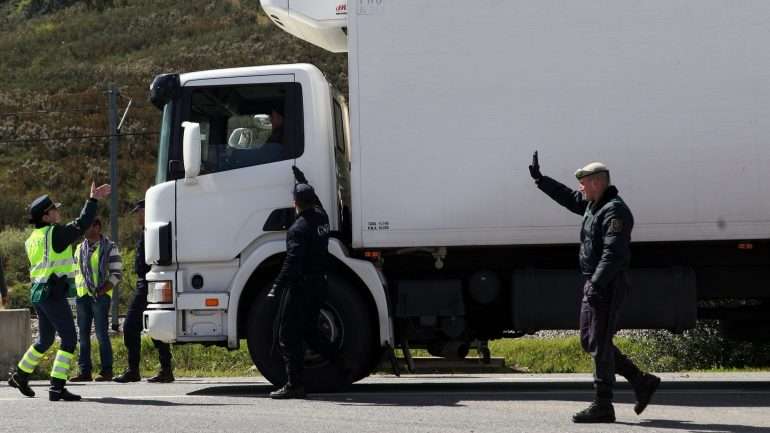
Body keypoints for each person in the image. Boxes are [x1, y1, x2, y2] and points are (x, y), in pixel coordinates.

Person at [528, 152, 660, 423]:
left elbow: (613, 255)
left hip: (608, 283)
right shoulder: (593, 205)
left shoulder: (615, 211)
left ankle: (603, 404)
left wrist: (597, 284)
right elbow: (567, 197)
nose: (580, 187)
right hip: (596, 282)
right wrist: (542, 181)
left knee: (598, 343)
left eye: (584, 182)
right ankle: (640, 380)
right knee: (591, 341)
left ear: (597, 183)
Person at [7, 182, 111, 401]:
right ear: (46, 216)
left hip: (38, 293)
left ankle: (20, 375)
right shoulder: (54, 234)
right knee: (69, 339)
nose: (58, 211)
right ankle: (57, 386)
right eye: (54, 209)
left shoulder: (31, 239)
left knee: (45, 339)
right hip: (52, 293)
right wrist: (92, 200)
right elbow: (82, 224)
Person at [269, 174, 339, 399]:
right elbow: (315, 201)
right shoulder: (322, 218)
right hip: (320, 284)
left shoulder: (298, 229)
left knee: (288, 336)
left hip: (303, 287)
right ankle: (341, 363)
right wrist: (303, 180)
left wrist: (277, 286)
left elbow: (292, 262)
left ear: (295, 203)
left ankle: (294, 384)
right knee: (309, 331)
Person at [114, 199, 174, 383]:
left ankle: (135, 370)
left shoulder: (153, 232)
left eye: (139, 212)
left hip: (149, 284)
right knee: (154, 327)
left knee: (131, 326)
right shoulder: (150, 232)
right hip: (148, 283)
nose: (137, 216)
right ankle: (165, 369)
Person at [70, 218, 122, 382]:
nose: (84, 230)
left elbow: (116, 274)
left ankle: (106, 371)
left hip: (100, 297)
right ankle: (84, 371)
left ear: (97, 227)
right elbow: (75, 272)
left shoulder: (110, 247)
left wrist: (102, 291)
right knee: (83, 335)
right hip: (82, 296)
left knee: (101, 334)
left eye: (88, 226)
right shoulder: (79, 248)